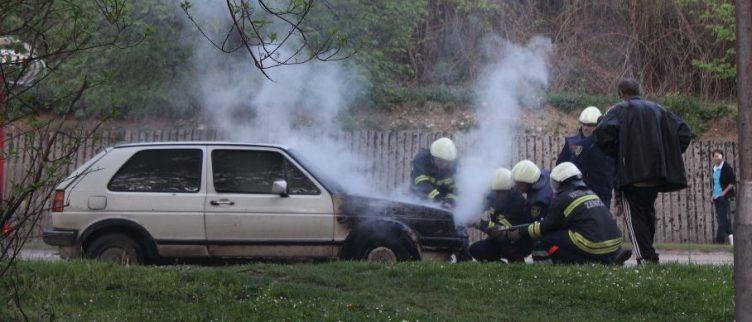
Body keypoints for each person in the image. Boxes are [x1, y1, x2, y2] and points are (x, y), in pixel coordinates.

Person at [594, 78, 692, 264]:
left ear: (621, 93)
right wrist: (668, 153)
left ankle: (645, 258)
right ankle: (650, 255)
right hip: (656, 175)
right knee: (647, 215)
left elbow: (602, 132)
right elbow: (684, 132)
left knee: (635, 218)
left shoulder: (620, 109)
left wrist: (618, 151)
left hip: (632, 176)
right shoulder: (659, 109)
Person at [503, 162, 631, 265]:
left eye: (555, 182)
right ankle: (609, 259)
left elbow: (546, 226)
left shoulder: (563, 198)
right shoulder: (589, 192)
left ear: (561, 181)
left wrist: (520, 232)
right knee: (568, 235)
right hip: (615, 241)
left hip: (592, 244)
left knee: (548, 239)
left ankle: (582, 262)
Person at [469, 168, 533, 262]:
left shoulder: (517, 203)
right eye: (495, 191)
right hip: (497, 239)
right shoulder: (492, 195)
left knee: (502, 238)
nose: (497, 195)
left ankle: (517, 262)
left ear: (510, 190)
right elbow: (480, 206)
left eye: (501, 192)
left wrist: (479, 223)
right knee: (475, 249)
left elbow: (500, 229)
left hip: (517, 242)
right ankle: (498, 264)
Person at [556, 106, 616, 206]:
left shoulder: (607, 144)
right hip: (576, 192)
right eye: (584, 124)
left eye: (590, 125)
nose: (586, 128)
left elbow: (611, 170)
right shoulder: (572, 143)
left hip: (601, 193)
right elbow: (560, 165)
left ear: (598, 126)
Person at [410, 137, 458, 208]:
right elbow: (421, 184)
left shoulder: (454, 167)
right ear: (432, 157)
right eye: (440, 160)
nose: (443, 164)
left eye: (446, 162)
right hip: (419, 199)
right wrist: (438, 200)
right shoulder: (421, 160)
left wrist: (450, 201)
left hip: (443, 203)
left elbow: (456, 190)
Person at [711, 149, 735, 245]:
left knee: (721, 220)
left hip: (724, 197)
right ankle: (731, 236)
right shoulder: (714, 168)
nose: (717, 158)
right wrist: (713, 194)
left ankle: (719, 241)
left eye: (718, 156)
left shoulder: (726, 167)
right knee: (723, 219)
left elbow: (732, 182)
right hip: (716, 197)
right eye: (715, 156)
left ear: (722, 156)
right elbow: (715, 183)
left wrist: (723, 193)